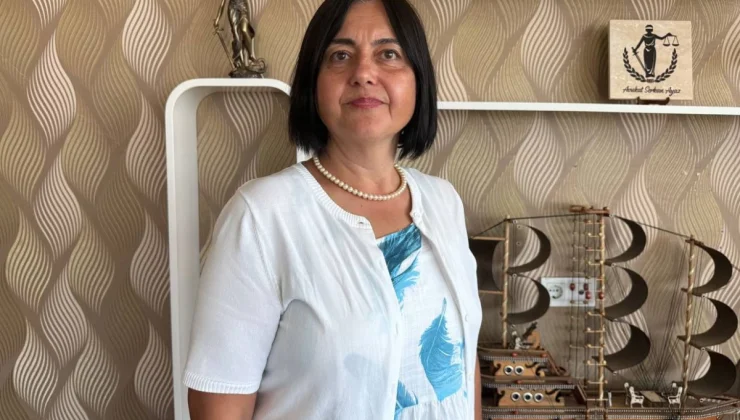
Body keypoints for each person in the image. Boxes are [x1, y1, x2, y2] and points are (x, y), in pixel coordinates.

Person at [185, 0, 482, 419]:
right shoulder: (261, 217)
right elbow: (219, 405)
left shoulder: (443, 202)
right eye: (340, 56)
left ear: (418, 80)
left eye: (389, 54)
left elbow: (463, 362)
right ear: (313, 83)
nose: (364, 73)